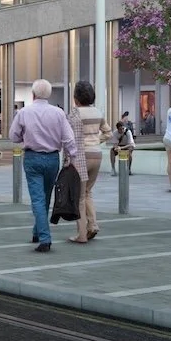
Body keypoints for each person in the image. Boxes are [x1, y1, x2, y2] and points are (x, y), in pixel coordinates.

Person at [10, 78, 81, 252]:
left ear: (33, 94)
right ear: (48, 94)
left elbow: (13, 136)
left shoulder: (24, 112)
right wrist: (72, 157)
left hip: (32, 158)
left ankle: (44, 238)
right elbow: (68, 138)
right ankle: (37, 232)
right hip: (52, 159)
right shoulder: (58, 113)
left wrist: (24, 137)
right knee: (45, 197)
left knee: (37, 199)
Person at [66, 80, 111, 244]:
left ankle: (82, 234)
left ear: (76, 98)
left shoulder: (74, 113)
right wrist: (95, 140)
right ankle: (93, 224)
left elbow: (68, 137)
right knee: (87, 193)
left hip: (81, 156)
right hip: (96, 155)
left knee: (79, 197)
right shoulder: (97, 112)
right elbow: (108, 133)